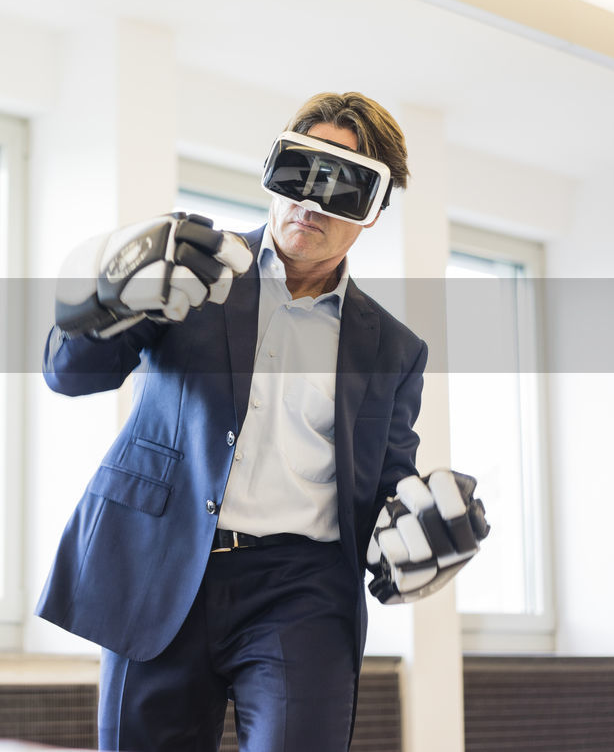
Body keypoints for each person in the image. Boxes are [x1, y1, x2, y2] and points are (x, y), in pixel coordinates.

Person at [37, 92, 485, 752]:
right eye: (299, 171)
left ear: (373, 212)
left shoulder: (393, 350)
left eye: (343, 187)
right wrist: (105, 295)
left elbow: (386, 484)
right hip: (163, 562)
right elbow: (68, 374)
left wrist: (424, 534)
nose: (311, 201)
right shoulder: (187, 269)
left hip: (299, 590)